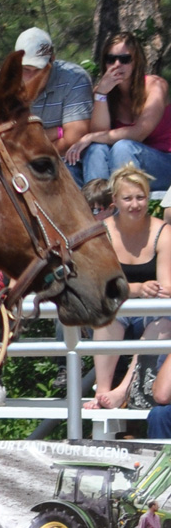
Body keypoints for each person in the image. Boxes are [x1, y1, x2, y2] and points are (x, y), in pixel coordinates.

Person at [83, 165, 171, 410]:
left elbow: (168, 285)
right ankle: (102, 392)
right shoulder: (102, 232)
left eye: (140, 197)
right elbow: (100, 284)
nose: (135, 204)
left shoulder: (163, 232)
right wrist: (137, 288)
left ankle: (122, 390)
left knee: (164, 321)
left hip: (151, 311)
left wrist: (156, 290)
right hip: (117, 305)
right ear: (115, 201)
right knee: (106, 318)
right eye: (128, 198)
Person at [67, 32, 171, 193]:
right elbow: (100, 135)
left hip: (163, 163)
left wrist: (89, 137)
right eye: (111, 59)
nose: (117, 64)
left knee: (123, 147)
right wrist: (101, 94)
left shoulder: (156, 85)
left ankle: (124, 213)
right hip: (123, 163)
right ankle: (98, 209)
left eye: (124, 59)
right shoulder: (103, 92)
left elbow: (139, 134)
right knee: (96, 150)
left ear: (136, 62)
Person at [13, 28, 93, 178]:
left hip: (63, 164)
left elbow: (72, 140)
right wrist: (57, 132)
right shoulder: (1, 83)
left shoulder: (75, 79)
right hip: (13, 166)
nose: (32, 76)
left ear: (53, 59)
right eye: (25, 69)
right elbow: (3, 139)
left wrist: (25, 144)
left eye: (38, 70)